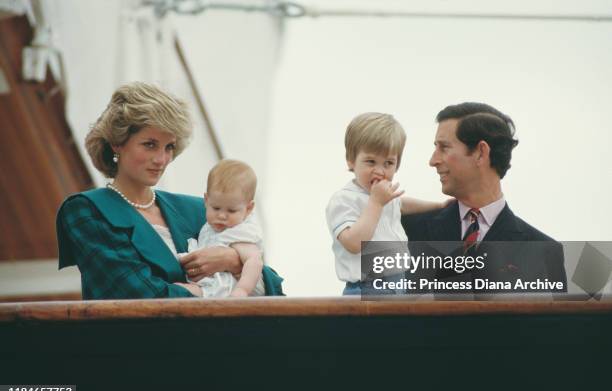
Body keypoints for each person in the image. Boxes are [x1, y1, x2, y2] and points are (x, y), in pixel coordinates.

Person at [56, 82, 283, 299]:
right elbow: (136, 295)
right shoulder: (87, 210)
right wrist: (210, 293)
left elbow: (273, 289)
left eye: (169, 147)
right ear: (117, 142)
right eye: (150, 144)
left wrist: (233, 260)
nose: (161, 159)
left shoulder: (200, 209)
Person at [401, 102, 567, 293]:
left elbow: (552, 323)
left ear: (481, 152)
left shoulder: (544, 252)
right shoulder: (403, 229)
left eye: (444, 147)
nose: (433, 160)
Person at [326, 112, 449, 295]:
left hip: (398, 282)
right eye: (370, 161)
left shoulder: (384, 197)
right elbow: (353, 243)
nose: (380, 171)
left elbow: (401, 204)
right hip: (367, 288)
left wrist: (438, 206)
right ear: (351, 161)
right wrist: (375, 203)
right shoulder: (344, 200)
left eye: (388, 163)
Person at [182, 159, 266, 298]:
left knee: (181, 292)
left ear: (248, 209)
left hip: (227, 288)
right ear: (206, 200)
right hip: (209, 281)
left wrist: (242, 289)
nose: (221, 215)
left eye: (231, 211)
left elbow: (254, 261)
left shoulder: (240, 233)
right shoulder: (210, 227)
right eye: (216, 208)